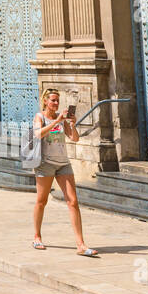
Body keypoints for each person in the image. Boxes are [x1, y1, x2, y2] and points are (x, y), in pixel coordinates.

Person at [31, 87, 97, 256]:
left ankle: (80, 245)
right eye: (53, 100)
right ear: (45, 101)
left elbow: (74, 138)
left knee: (73, 202)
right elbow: (38, 135)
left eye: (57, 101)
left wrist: (72, 125)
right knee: (41, 201)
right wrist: (56, 121)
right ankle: (37, 236)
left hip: (63, 164)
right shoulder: (39, 117)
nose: (55, 103)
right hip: (45, 164)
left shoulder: (62, 119)